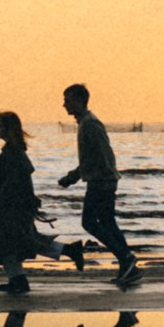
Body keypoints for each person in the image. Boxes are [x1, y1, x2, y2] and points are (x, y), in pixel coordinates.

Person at [59, 84, 141, 288]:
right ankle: (128, 265)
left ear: (79, 101)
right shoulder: (85, 123)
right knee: (108, 222)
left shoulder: (90, 124)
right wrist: (73, 177)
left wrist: (82, 177)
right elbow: (89, 158)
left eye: (68, 100)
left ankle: (126, 258)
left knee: (89, 222)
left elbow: (103, 155)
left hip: (101, 181)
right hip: (101, 179)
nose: (64, 104)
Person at [0, 110, 69, 297]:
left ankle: (18, 280)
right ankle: (18, 279)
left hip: (12, 207)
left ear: (9, 129)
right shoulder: (14, 152)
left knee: (10, 243)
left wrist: (3, 204)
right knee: (20, 242)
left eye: (0, 126)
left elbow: (14, 183)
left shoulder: (13, 153)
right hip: (14, 206)